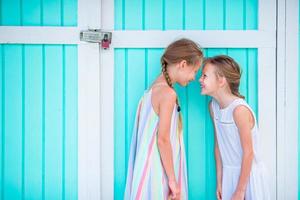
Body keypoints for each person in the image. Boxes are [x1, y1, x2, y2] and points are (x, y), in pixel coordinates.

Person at [124, 38, 203, 200]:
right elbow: (163, 140)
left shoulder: (151, 91)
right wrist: (173, 181)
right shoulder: (168, 94)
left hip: (147, 170)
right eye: (194, 71)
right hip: (158, 173)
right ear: (182, 64)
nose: (194, 77)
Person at [199, 55, 270, 200]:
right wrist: (219, 182)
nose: (200, 79)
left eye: (205, 76)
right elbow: (218, 146)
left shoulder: (239, 111)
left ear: (221, 81)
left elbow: (248, 152)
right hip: (229, 175)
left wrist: (240, 190)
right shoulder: (213, 107)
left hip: (248, 177)